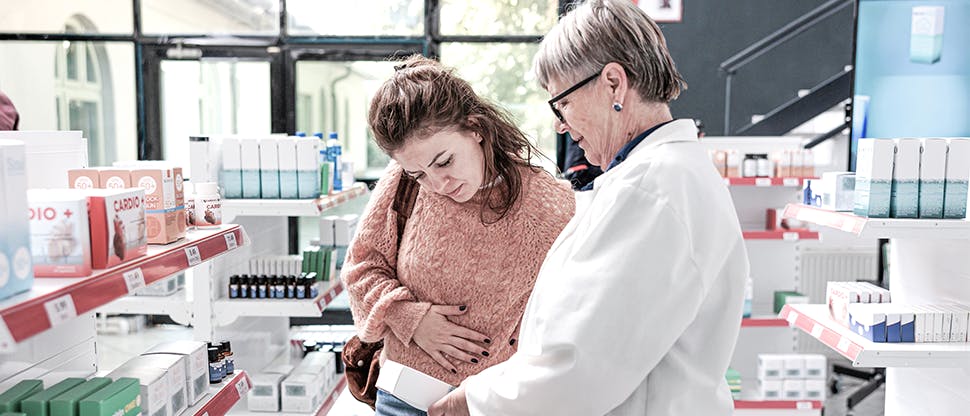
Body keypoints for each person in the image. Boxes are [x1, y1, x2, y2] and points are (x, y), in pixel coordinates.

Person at [429, 1, 748, 415]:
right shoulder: (659, 177)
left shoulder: (654, 190)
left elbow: (581, 369)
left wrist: (472, 401)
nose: (561, 124)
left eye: (561, 103)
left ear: (613, 84)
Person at [342, 55, 575, 416]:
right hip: (403, 396)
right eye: (419, 173)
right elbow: (361, 266)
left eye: (444, 161)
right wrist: (409, 318)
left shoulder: (552, 204)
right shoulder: (402, 183)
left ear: (475, 129)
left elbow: (568, 316)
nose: (438, 184)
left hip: (494, 404)